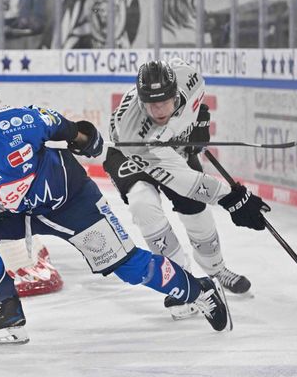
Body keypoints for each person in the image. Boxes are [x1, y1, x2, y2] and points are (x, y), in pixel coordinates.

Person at [0, 86, 256, 346]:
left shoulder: (17, 122)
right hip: (22, 213)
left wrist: (88, 139)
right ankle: (5, 309)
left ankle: (199, 289)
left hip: (73, 202)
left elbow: (69, 129)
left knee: (129, 267)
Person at [103, 58, 268, 318]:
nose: (157, 109)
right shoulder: (131, 130)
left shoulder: (189, 76)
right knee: (142, 203)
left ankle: (216, 267)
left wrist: (197, 124)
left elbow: (196, 105)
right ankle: (182, 281)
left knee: (195, 208)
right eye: (150, 104)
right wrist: (232, 199)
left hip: (170, 146)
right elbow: (185, 182)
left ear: (174, 92)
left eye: (164, 102)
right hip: (129, 153)